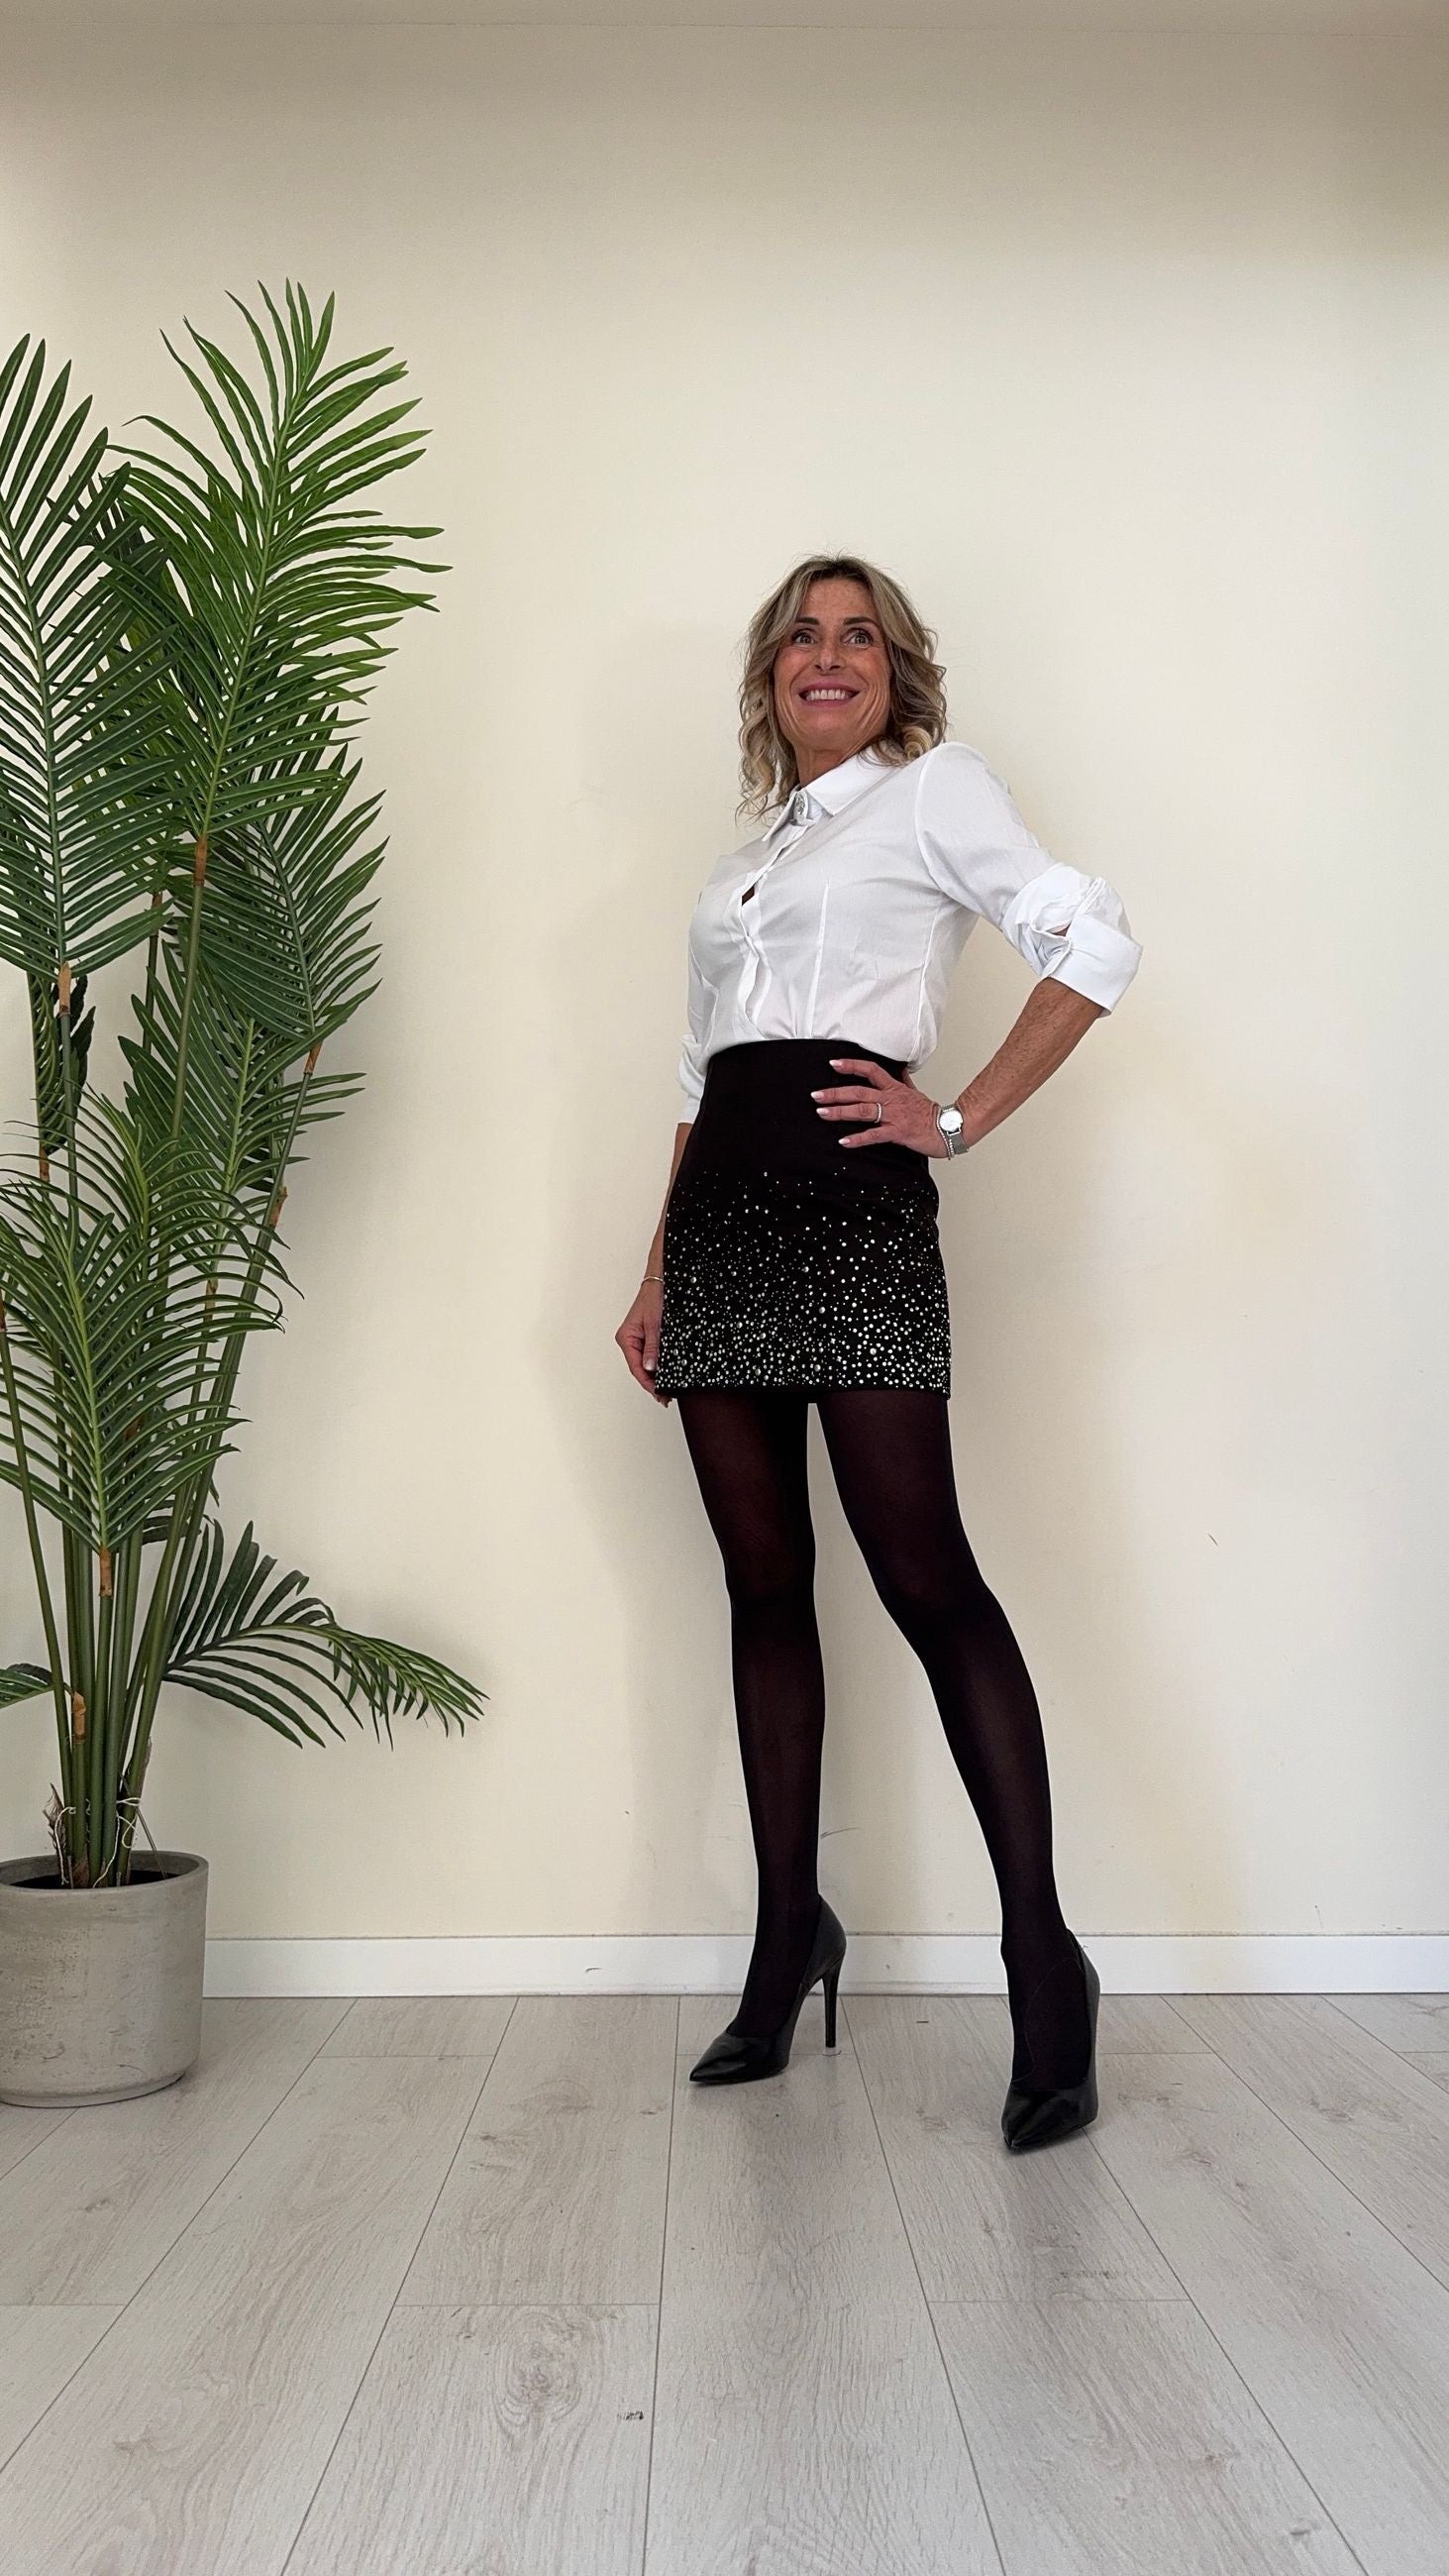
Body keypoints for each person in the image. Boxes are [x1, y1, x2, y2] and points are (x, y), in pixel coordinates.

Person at [615, 553, 1142, 2152]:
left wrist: (956, 1118)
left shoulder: (937, 796)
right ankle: (788, 1932)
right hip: (721, 1223)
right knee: (763, 1586)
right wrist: (656, 1271)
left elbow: (1094, 943)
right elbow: (701, 1078)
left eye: (858, 637)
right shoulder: (746, 866)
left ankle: (1044, 1962)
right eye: (801, 636)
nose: (826, 656)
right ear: (770, 676)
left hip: (854, 1212)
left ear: (896, 673)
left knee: (929, 1579)